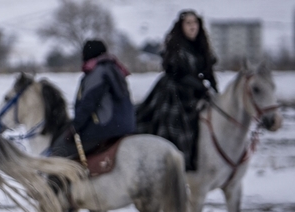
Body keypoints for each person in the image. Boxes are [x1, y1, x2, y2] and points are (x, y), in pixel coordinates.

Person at [135, 10, 218, 171]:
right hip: (174, 93)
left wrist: (214, 90)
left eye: (195, 23)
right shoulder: (176, 47)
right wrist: (200, 85)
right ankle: (177, 165)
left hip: (195, 94)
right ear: (181, 27)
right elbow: (177, 73)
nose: (192, 27)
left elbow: (208, 71)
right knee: (176, 128)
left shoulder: (201, 47)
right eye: (188, 23)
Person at [49, 39, 135, 161]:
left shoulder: (97, 73)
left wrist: (74, 128)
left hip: (105, 127)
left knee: (59, 149)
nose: (82, 56)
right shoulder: (115, 69)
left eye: (83, 53)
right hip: (126, 125)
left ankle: (56, 180)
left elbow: (88, 104)